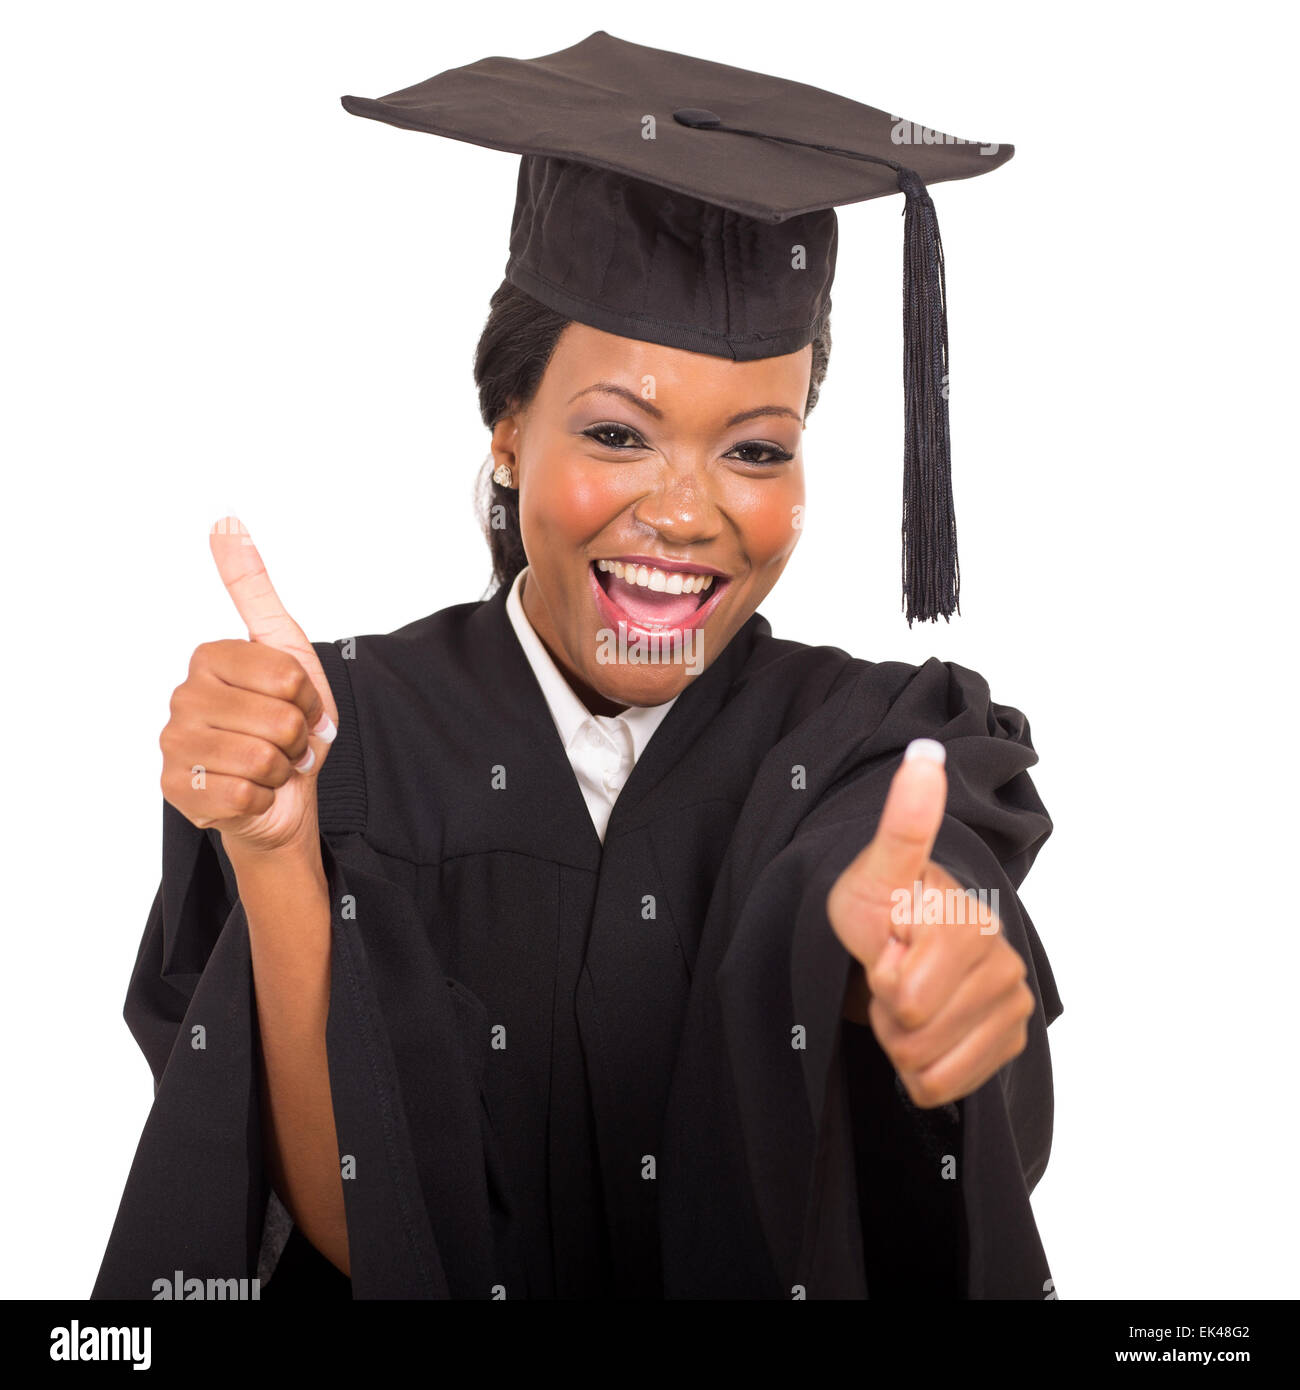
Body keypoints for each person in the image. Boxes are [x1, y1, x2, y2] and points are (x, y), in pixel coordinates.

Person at [93, 31, 1061, 1300]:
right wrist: (278, 858)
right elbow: (355, 1238)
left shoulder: (876, 740)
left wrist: (940, 955)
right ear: (506, 434)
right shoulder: (343, 732)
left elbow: (916, 871)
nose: (686, 511)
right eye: (617, 432)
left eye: (756, 451)